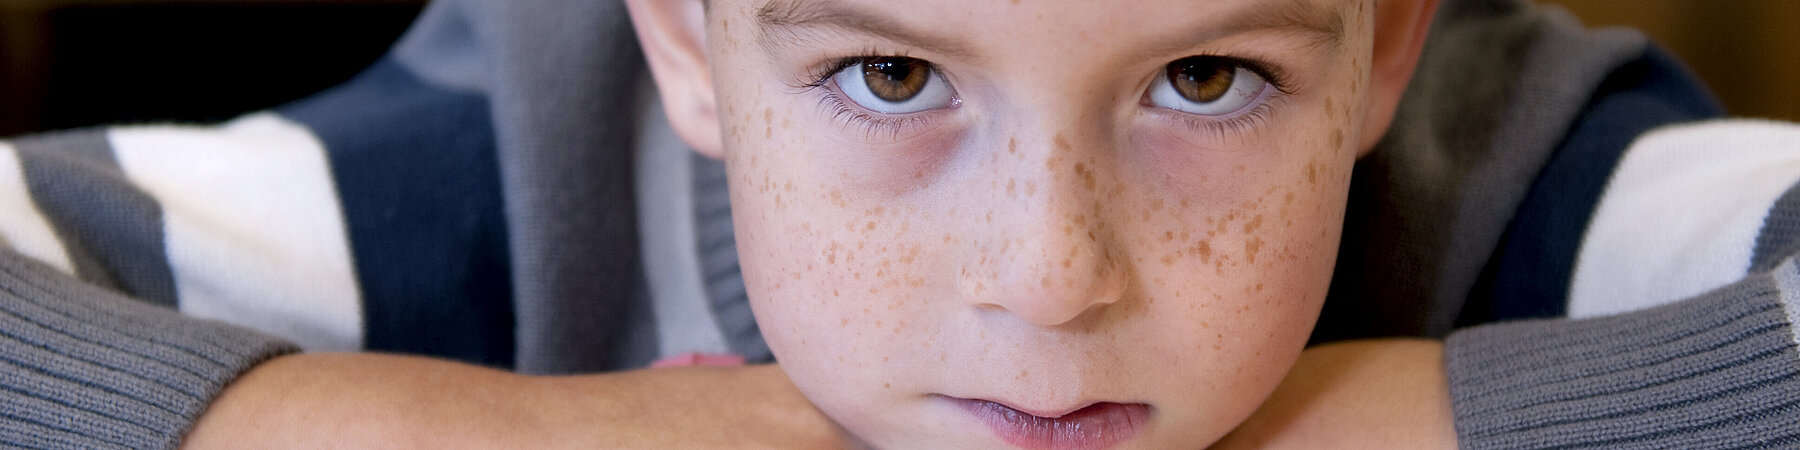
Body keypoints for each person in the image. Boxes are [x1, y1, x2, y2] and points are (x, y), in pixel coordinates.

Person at [0, 0, 1795, 448]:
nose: (1046, 280)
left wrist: (1396, 416)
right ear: (692, 42)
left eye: (1203, 82)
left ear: (1381, 46)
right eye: (885, 77)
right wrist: (484, 425)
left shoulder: (1508, 170)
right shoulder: (513, 157)